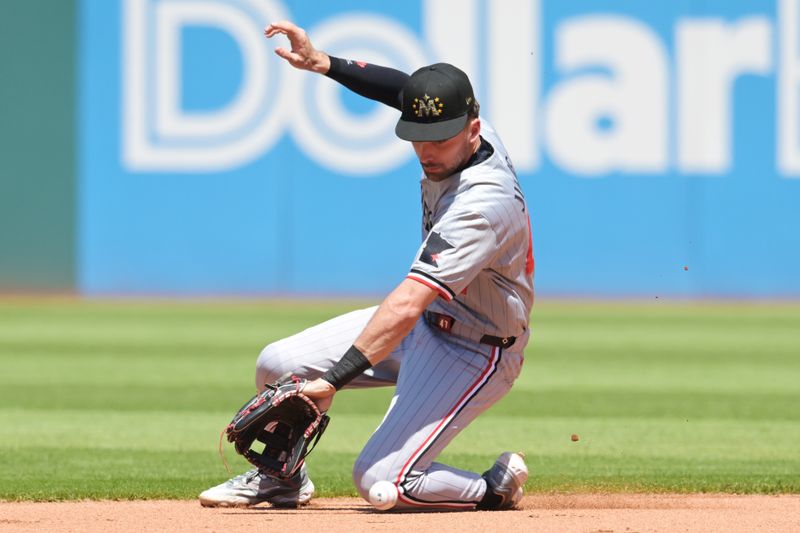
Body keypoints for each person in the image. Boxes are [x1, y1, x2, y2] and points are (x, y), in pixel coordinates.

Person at [199, 20, 535, 511]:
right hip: (429, 326)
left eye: (439, 139)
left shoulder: (482, 206)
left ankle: (492, 487)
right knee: (278, 364)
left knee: (381, 482)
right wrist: (323, 63)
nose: (426, 149)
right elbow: (405, 90)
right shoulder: (469, 134)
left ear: (473, 131)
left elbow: (408, 301)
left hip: (474, 350)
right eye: (419, 136)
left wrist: (333, 381)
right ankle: (282, 479)